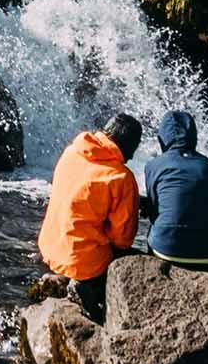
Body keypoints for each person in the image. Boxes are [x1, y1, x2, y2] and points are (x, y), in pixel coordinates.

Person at [37, 111, 141, 319]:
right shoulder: (120, 176)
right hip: (82, 263)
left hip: (49, 246)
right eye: (134, 149)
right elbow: (122, 239)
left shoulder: (72, 152)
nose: (132, 157)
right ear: (128, 146)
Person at [136, 108, 208, 269]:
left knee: (157, 226)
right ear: (194, 136)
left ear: (162, 139)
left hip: (168, 251)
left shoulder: (154, 165)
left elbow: (154, 211)